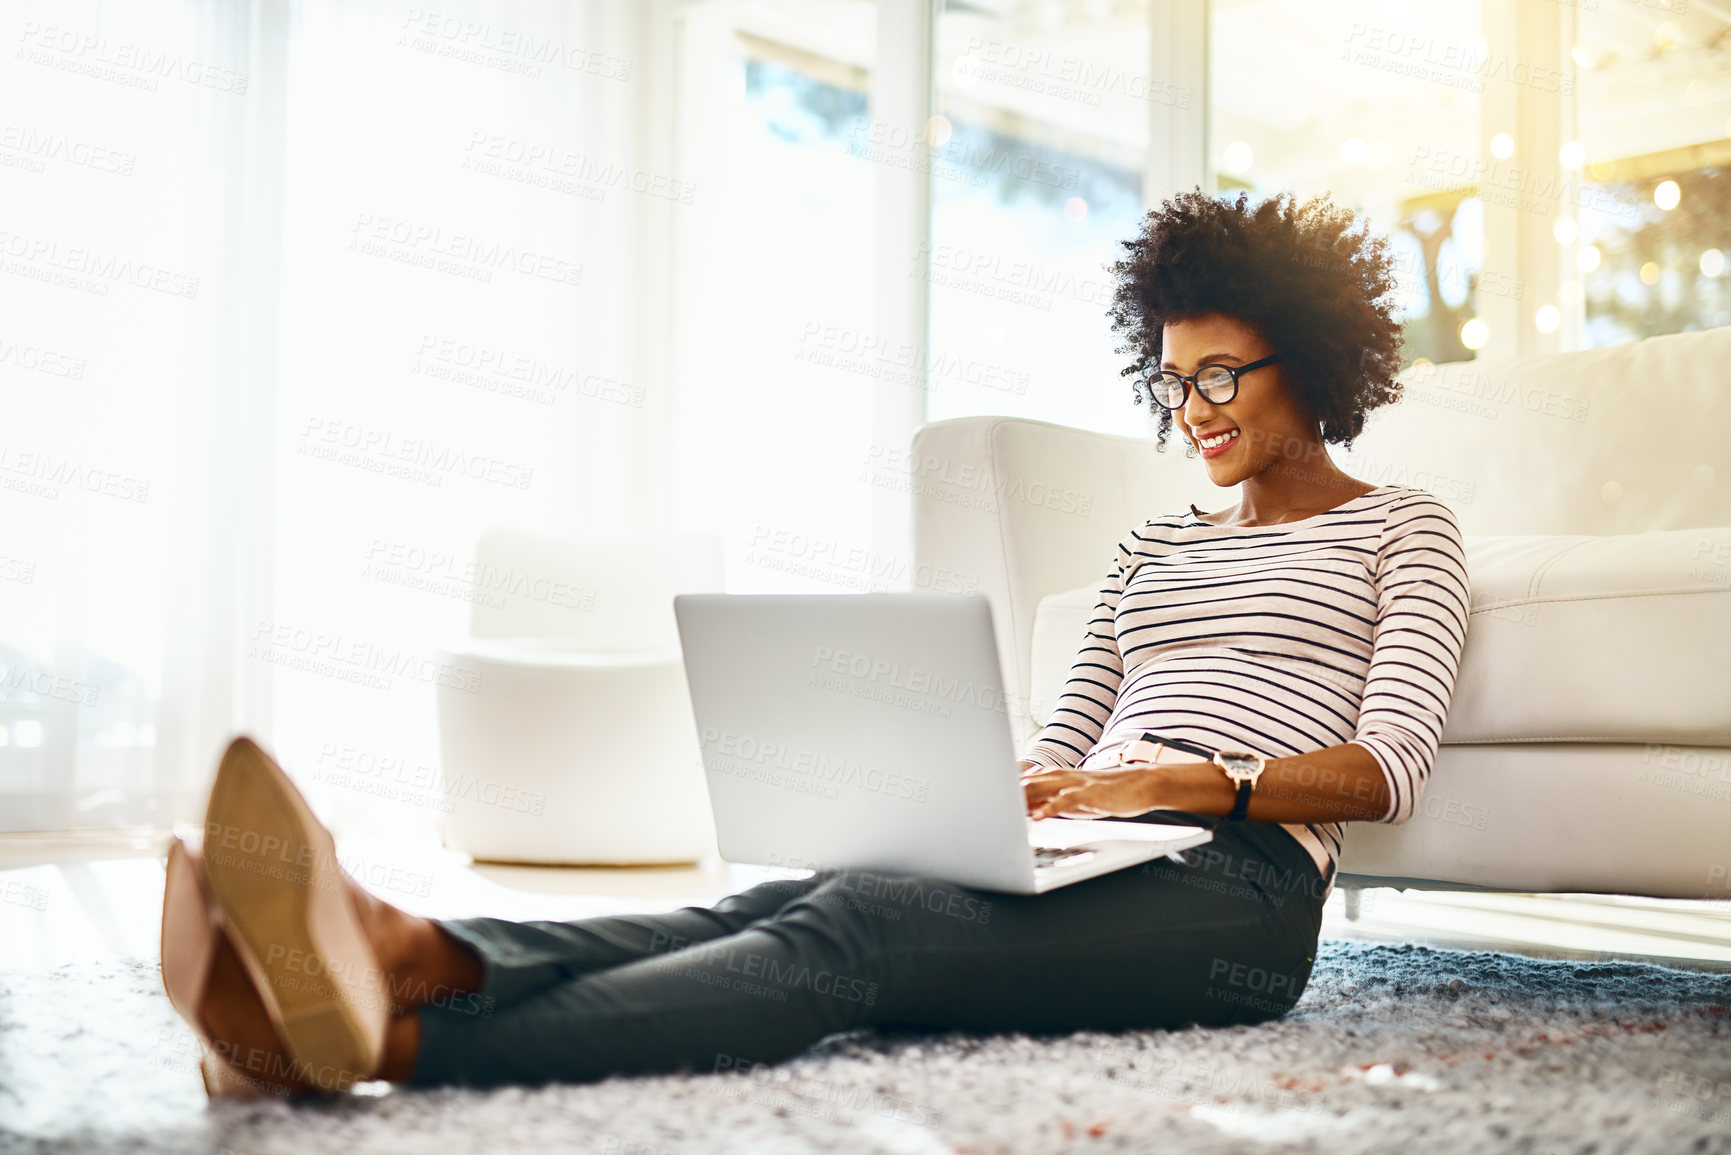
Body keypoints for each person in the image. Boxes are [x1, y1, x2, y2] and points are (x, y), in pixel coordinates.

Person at [158, 186, 1470, 1097]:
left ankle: (393, 1049)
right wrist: (981, 797)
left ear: (1307, 360)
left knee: (861, 940)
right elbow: (1062, 747)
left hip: (1237, 894)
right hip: (1094, 843)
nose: (1194, 409)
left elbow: (1391, 766)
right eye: (1174, 382)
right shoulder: (1150, 548)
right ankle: (402, 956)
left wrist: (1200, 785)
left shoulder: (1405, 530)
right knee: (794, 898)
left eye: (1222, 375)